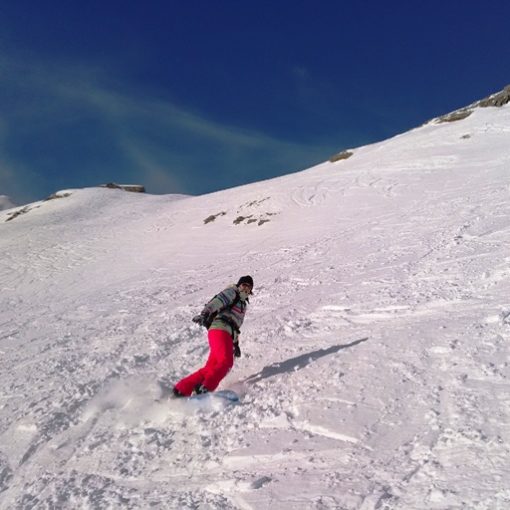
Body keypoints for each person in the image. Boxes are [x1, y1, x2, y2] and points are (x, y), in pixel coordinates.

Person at [173, 275, 254, 397]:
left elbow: (235, 327)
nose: (246, 288)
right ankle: (205, 389)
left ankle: (182, 389)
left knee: (211, 368)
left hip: (224, 333)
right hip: (220, 329)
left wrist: (235, 344)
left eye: (249, 286)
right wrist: (205, 313)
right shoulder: (233, 292)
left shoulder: (242, 304)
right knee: (226, 362)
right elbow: (219, 301)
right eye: (244, 285)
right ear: (239, 285)